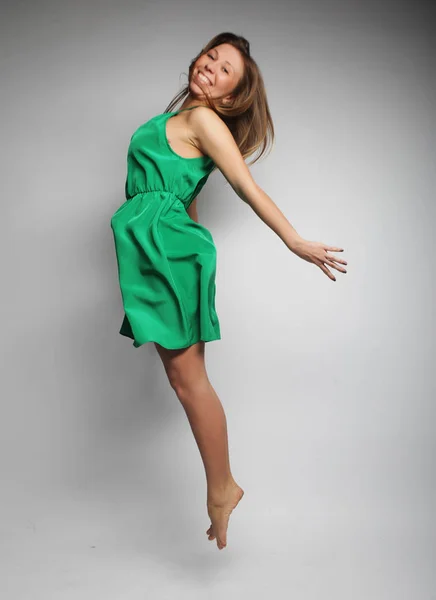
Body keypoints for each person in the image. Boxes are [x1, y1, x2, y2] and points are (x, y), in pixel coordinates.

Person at [111, 32, 348, 551]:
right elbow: (187, 192)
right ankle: (222, 487)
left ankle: (222, 489)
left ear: (230, 98)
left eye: (224, 72)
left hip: (167, 250)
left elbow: (246, 185)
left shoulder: (203, 121)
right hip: (164, 248)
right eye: (211, 58)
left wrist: (295, 241)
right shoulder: (178, 120)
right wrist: (189, 246)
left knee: (188, 381)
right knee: (187, 380)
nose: (211, 69)